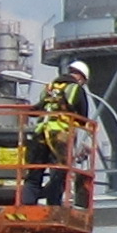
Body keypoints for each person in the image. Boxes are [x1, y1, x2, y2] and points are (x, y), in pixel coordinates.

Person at [27, 60, 93, 206]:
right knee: (59, 173)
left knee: (33, 175)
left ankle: (27, 205)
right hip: (59, 135)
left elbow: (38, 108)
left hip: (40, 133)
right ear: (81, 78)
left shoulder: (49, 87)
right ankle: (54, 205)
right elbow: (83, 118)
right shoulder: (76, 89)